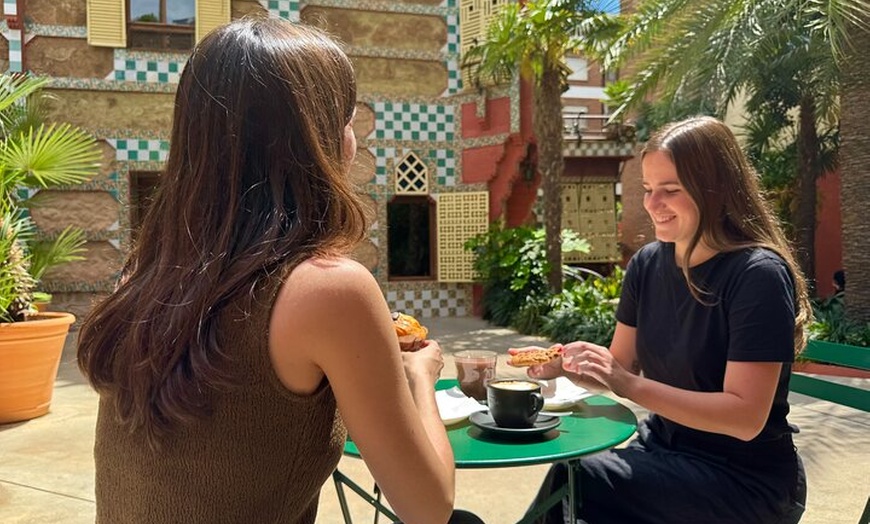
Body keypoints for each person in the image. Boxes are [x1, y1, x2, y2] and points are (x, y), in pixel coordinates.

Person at [76, 18, 482, 524]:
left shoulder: (143, 272)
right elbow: (429, 507)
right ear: (321, 139)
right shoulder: (330, 289)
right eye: (348, 120)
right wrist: (420, 378)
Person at [512, 116, 810, 524]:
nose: (652, 204)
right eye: (648, 189)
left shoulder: (757, 275)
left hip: (744, 479)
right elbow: (620, 365)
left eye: (670, 190)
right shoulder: (647, 264)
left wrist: (628, 384)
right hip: (663, 451)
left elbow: (745, 418)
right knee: (576, 475)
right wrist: (566, 366)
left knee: (579, 480)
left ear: (716, 190)